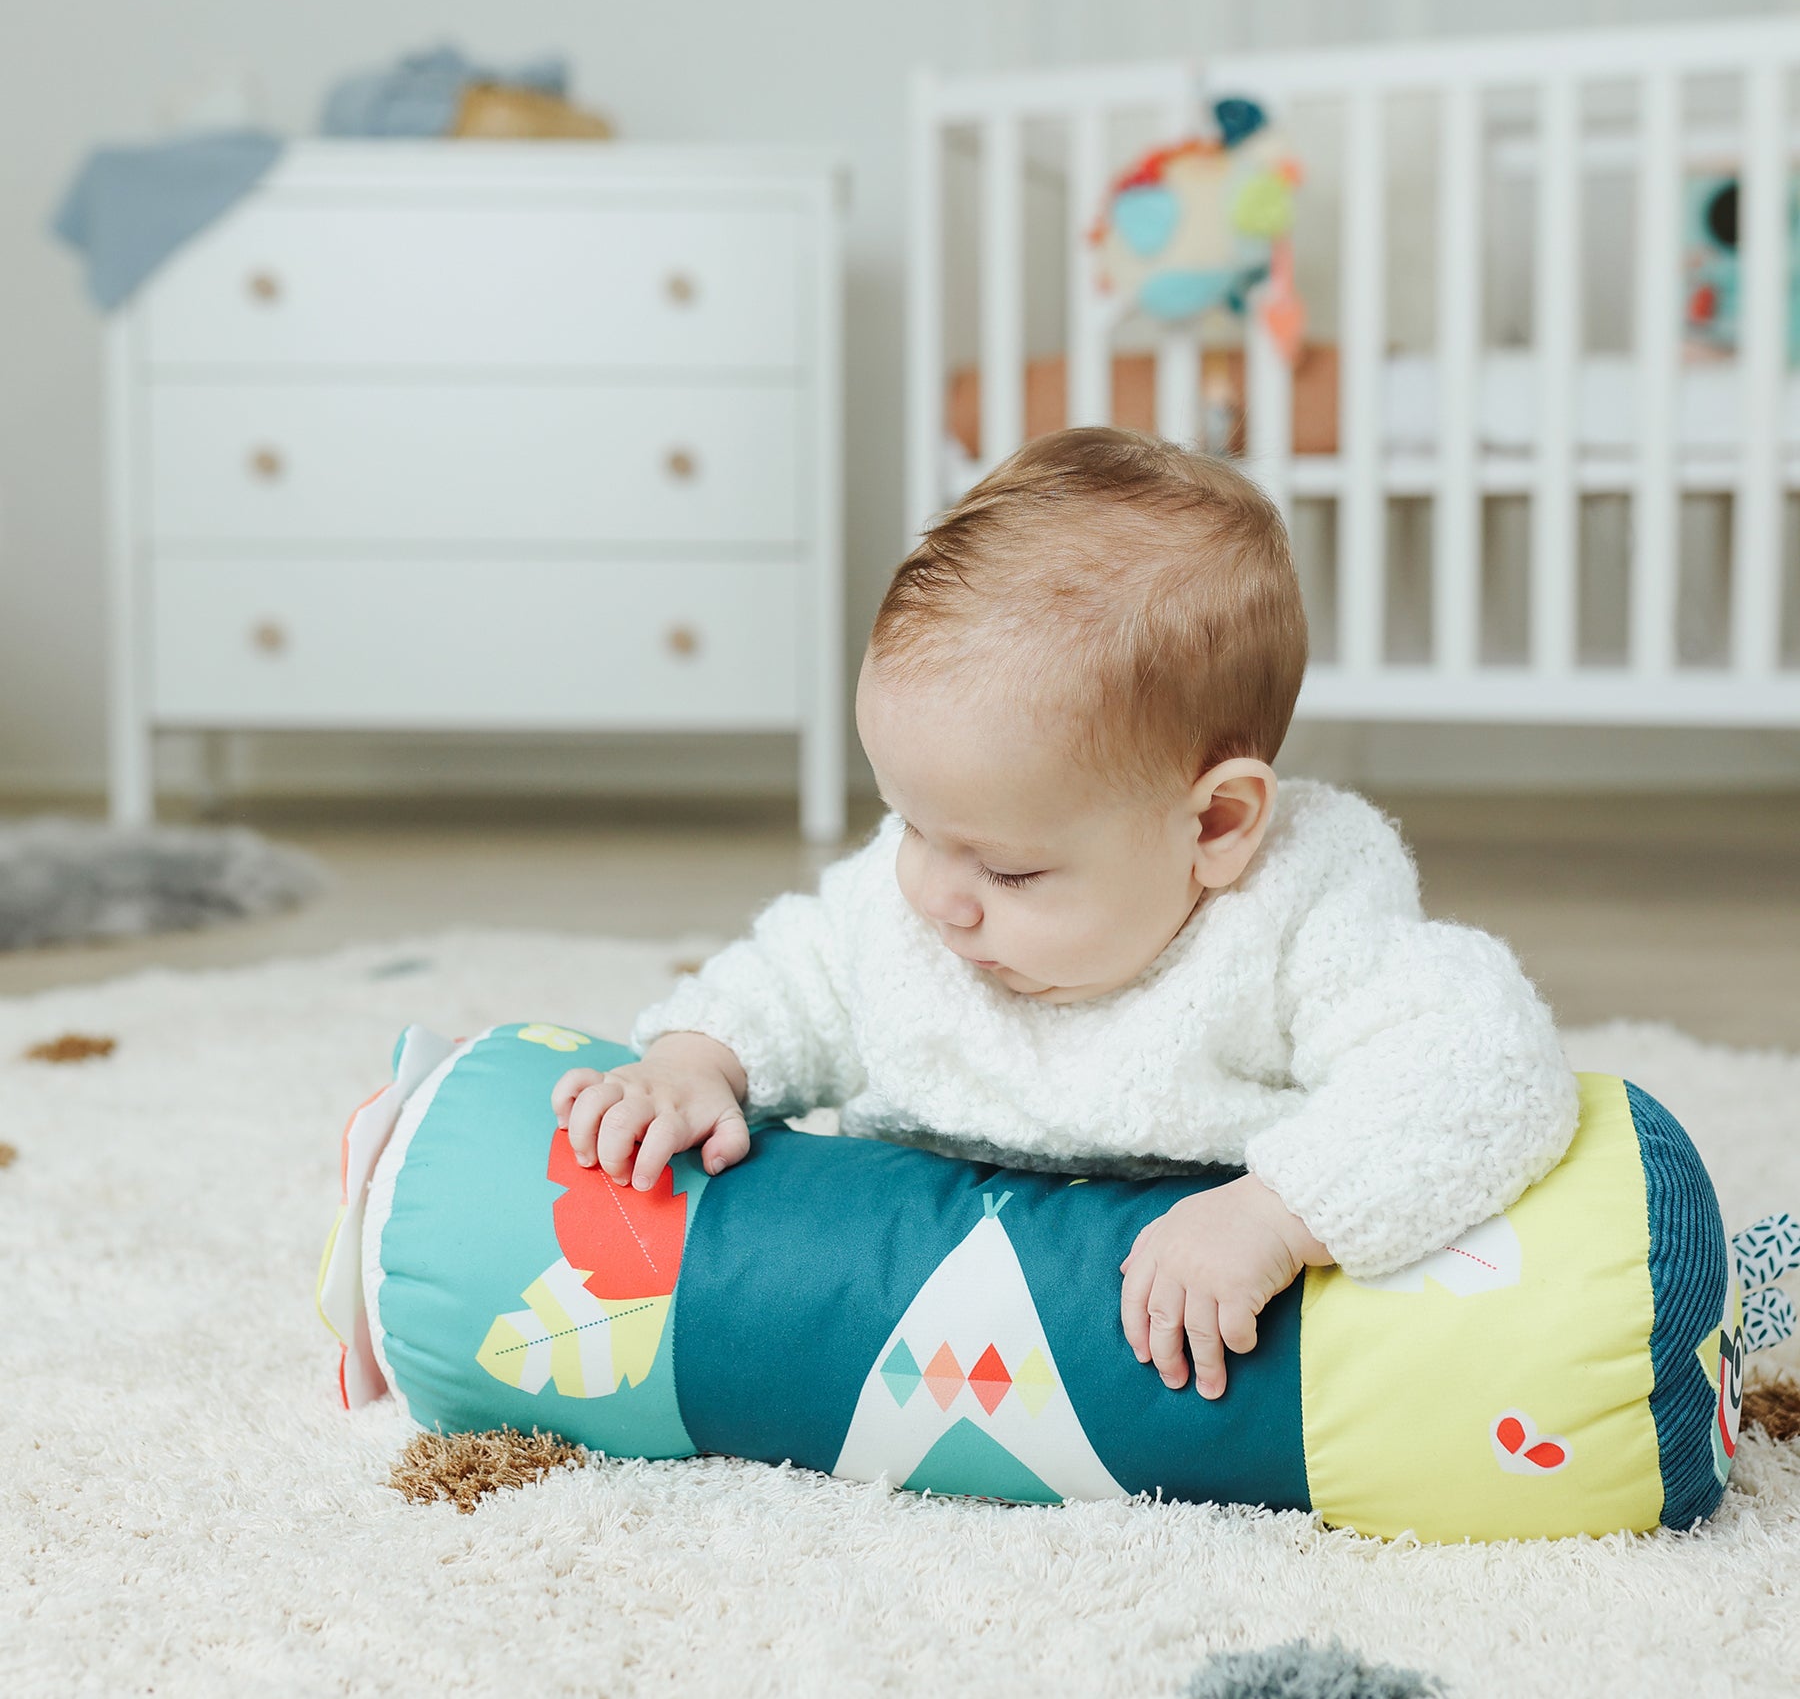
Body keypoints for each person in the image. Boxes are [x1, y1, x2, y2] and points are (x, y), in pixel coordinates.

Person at [551, 427, 1577, 1401]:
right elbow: (796, 973)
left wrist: (1280, 1215)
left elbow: (1482, 1065)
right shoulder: (916, 896)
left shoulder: (1298, 913)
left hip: (1186, 1358)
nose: (937, 898)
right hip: (905, 1302)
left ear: (1216, 824)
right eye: (908, 823)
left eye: (1011, 873)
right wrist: (696, 1061)